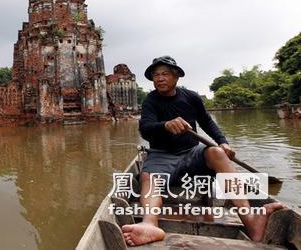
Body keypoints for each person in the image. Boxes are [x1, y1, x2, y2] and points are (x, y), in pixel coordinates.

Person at [121, 56, 284, 246]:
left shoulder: (191, 97)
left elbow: (207, 122)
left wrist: (223, 142)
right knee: (149, 178)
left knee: (217, 153)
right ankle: (149, 224)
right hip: (161, 156)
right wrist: (165, 125)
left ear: (176, 77)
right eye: (156, 75)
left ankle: (251, 222)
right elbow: (145, 129)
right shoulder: (151, 100)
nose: (159, 78)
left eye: (164, 74)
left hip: (191, 153)